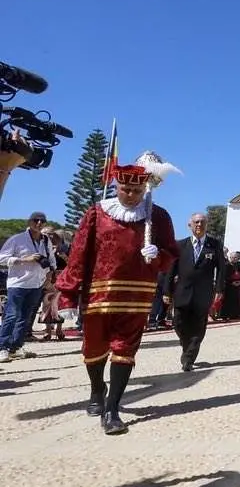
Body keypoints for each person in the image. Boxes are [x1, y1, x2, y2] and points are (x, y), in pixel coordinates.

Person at [56, 161, 179, 435]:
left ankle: (112, 409)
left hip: (136, 295)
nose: (131, 196)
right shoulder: (97, 214)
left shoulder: (158, 217)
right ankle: (97, 389)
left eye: (136, 191)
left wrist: (157, 255)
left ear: (144, 188)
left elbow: (171, 255)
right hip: (98, 295)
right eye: (125, 190)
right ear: (116, 187)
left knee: (125, 350)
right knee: (93, 350)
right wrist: (67, 294)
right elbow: (78, 255)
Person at [163, 212, 226, 371]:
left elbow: (222, 269)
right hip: (182, 292)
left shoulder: (215, 244)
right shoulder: (180, 245)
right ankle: (187, 347)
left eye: (202, 222)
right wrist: (166, 291)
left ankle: (188, 358)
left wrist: (219, 289)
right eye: (196, 222)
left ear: (207, 225)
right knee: (178, 324)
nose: (199, 225)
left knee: (198, 327)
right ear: (190, 225)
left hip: (203, 294)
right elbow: (171, 270)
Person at [0, 212, 57, 361]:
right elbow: (2, 259)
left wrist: (49, 277)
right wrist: (24, 259)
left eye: (42, 221)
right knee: (11, 316)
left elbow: (51, 260)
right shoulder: (17, 239)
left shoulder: (46, 241)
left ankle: (16, 347)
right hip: (18, 284)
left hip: (36, 284)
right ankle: (2, 347)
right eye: (35, 220)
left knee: (25, 318)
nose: (39, 223)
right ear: (29, 221)